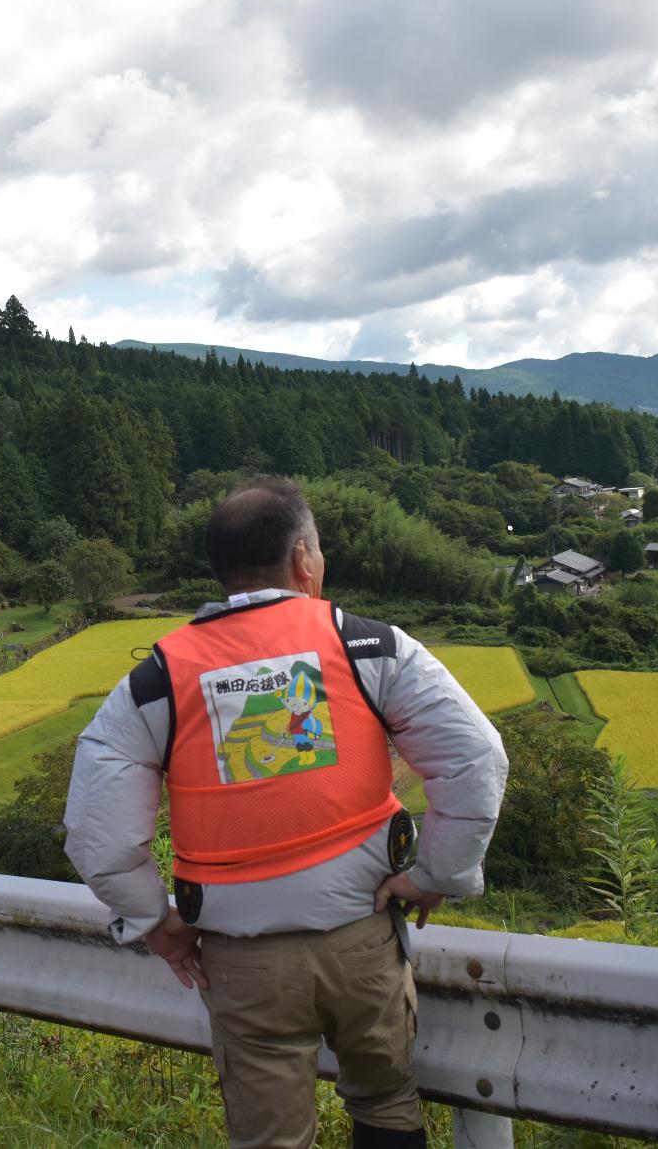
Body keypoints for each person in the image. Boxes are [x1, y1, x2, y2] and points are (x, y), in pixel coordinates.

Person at [64, 477, 509, 1149]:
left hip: (243, 962)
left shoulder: (159, 677)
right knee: (386, 1098)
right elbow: (476, 756)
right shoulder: (368, 645)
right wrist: (435, 873)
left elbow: (98, 832)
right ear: (304, 558)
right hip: (363, 937)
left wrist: (156, 920)